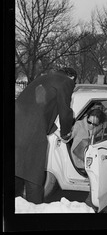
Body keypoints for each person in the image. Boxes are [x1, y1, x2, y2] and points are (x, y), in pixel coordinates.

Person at [15, 67, 77, 204]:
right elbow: (65, 111)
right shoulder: (66, 82)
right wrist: (66, 133)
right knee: (34, 177)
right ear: (71, 77)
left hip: (16, 127)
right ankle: (35, 212)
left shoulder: (43, 78)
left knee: (17, 172)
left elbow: (39, 106)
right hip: (32, 133)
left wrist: (53, 129)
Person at [70, 104, 107, 169]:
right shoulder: (78, 125)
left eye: (94, 124)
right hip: (78, 160)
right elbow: (67, 138)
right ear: (87, 117)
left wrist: (103, 126)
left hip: (90, 159)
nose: (91, 125)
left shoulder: (98, 128)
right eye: (89, 122)